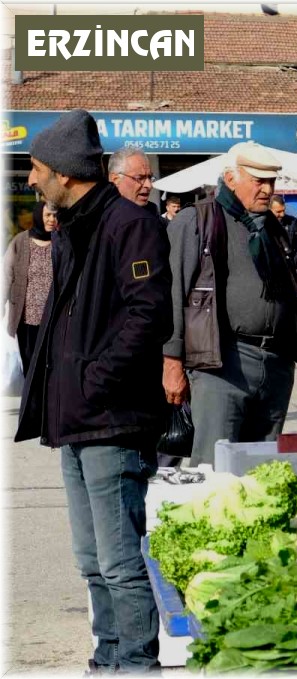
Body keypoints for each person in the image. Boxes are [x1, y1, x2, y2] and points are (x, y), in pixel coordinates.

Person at [15, 108, 172, 673]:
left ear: (65, 172)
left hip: (113, 418)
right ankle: (106, 658)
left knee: (120, 561)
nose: (30, 180)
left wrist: (92, 381)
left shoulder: (132, 224)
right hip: (77, 419)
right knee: (90, 561)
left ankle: (135, 663)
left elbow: (147, 315)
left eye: (35, 169)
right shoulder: (74, 229)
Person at [162, 141, 297, 466]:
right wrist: (172, 363)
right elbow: (172, 293)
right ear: (231, 179)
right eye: (258, 180)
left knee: (263, 472)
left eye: (271, 181)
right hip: (223, 364)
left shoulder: (271, 228)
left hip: (274, 364)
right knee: (216, 472)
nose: (267, 189)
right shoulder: (197, 220)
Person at [5, 202, 57, 372]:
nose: (51, 219)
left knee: (50, 365)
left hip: (53, 317)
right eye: (47, 215)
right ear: (38, 217)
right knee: (29, 364)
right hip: (26, 318)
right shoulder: (20, 241)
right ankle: (31, 398)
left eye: (55, 215)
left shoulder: (61, 241)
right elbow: (6, 275)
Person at [271, 195, 297, 271]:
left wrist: (293, 264)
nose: (282, 214)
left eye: (283, 210)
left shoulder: (292, 222)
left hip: (289, 268)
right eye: (278, 212)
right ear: (269, 210)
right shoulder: (263, 225)